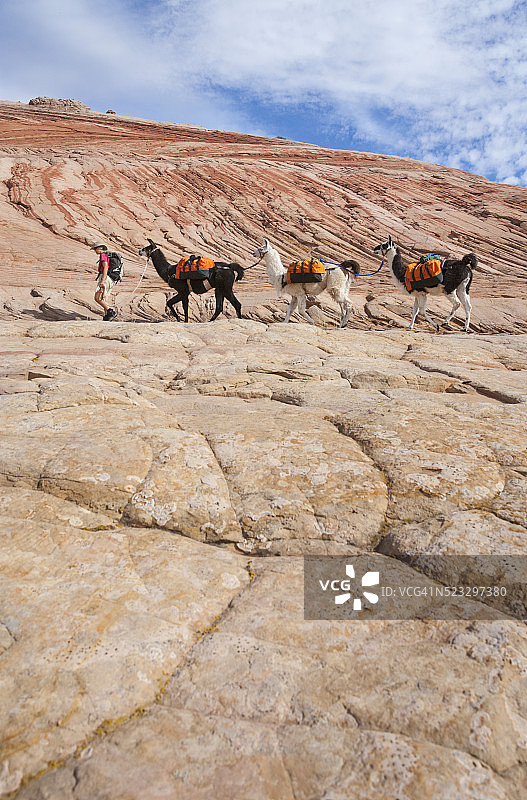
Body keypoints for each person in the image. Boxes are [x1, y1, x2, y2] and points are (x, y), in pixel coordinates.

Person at [92, 242, 117, 320]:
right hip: (111, 279)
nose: (95, 251)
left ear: (100, 248)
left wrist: (102, 281)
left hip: (105, 278)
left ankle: (110, 311)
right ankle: (107, 317)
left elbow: (105, 267)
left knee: (97, 298)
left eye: (95, 249)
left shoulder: (103, 255)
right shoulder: (108, 255)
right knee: (103, 299)